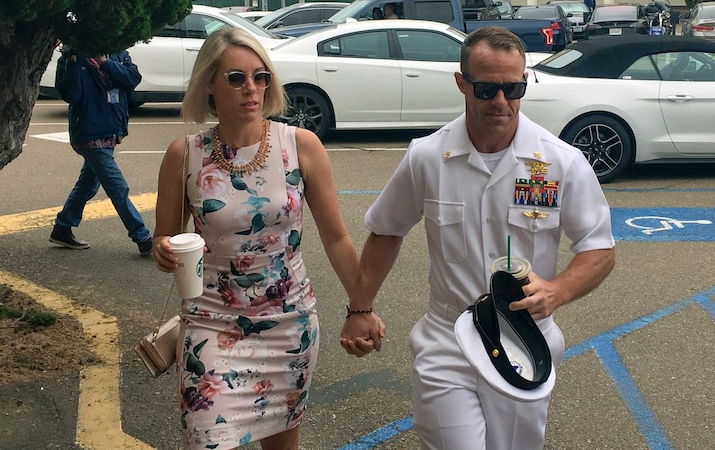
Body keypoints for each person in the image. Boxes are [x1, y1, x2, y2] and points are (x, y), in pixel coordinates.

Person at [340, 26, 616, 450]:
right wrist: (360, 307)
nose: (501, 102)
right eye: (486, 89)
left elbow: (598, 249)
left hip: (525, 338)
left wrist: (557, 291)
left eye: (514, 88)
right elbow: (386, 230)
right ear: (461, 83)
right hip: (448, 337)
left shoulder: (560, 162)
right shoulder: (428, 157)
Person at [152, 28, 382, 450]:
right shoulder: (184, 155)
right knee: (205, 440)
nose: (252, 89)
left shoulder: (301, 146)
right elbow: (164, 239)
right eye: (236, 78)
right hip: (210, 322)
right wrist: (165, 250)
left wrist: (361, 306)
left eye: (261, 77)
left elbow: (336, 239)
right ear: (209, 84)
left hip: (288, 326)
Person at [50, 45, 153, 255]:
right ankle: (142, 236)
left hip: (111, 128)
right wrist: (72, 59)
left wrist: (106, 63)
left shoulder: (117, 53)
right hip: (89, 132)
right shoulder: (73, 59)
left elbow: (132, 78)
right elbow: (71, 94)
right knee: (118, 187)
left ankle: (62, 227)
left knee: (88, 184)